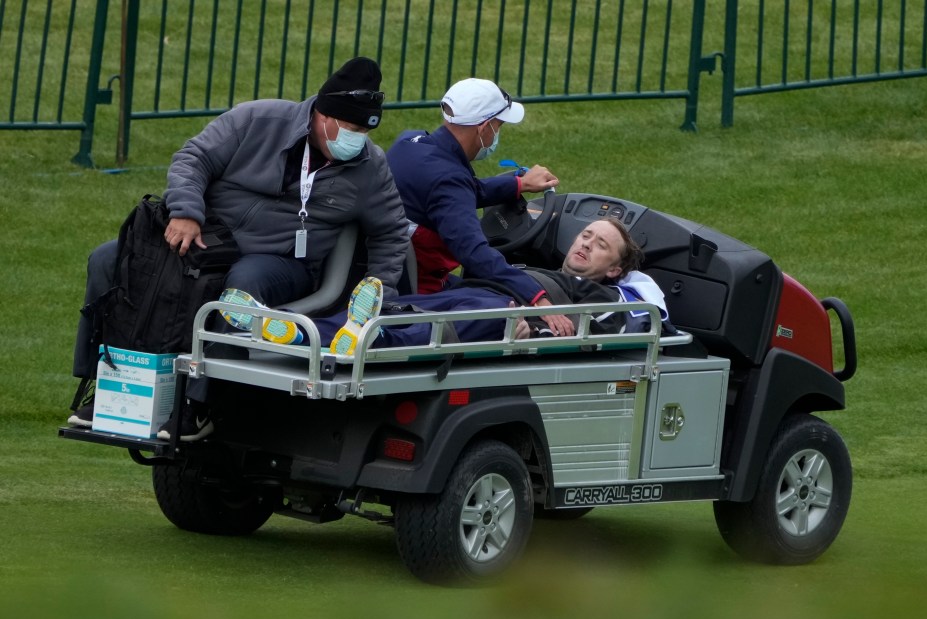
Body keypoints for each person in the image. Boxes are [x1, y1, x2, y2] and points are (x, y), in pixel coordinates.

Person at [68, 56, 409, 430]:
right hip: (209, 239)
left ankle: (198, 406)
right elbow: (193, 158)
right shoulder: (257, 120)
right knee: (108, 259)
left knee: (243, 281)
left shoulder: (370, 166)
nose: (357, 139)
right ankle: (104, 388)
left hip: (282, 262)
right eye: (351, 127)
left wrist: (380, 293)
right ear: (322, 115)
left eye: (365, 130)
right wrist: (186, 211)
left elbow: (391, 231)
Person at [220, 219, 670, 356]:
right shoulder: (539, 267)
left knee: (422, 327)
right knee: (390, 309)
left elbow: (606, 328)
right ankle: (295, 331)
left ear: (615, 269)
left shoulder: (603, 296)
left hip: (503, 316)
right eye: (586, 236)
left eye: (601, 245)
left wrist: (541, 331)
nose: (586, 244)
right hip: (476, 291)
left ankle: (349, 338)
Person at [385, 77, 574, 337]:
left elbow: (458, 192)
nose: (497, 133)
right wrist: (538, 297)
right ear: (484, 128)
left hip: (390, 276)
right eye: (498, 126)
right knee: (501, 306)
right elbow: (474, 252)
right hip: (418, 293)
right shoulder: (449, 180)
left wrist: (518, 184)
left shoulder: (409, 143)